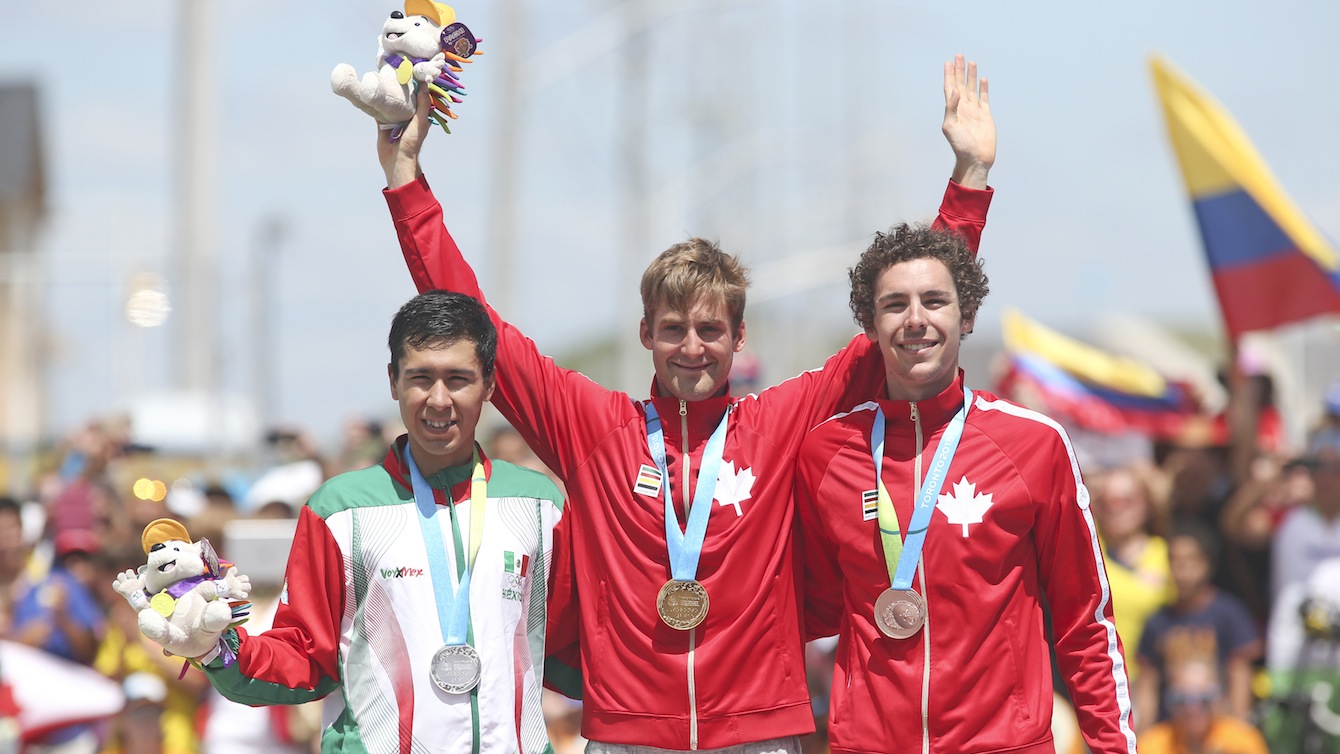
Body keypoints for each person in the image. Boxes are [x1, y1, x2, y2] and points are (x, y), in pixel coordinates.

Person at [381, 55, 995, 753]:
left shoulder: (780, 425)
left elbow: (908, 318)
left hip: (760, 733)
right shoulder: (595, 427)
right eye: (673, 329)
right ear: (646, 333)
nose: (692, 348)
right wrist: (406, 179)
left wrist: (969, 180)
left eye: (710, 330)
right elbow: (472, 318)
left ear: (739, 337)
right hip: (628, 734)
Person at [793, 223, 1137, 752]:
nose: (916, 319)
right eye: (894, 305)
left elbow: (1085, 622)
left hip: (1003, 743)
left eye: (934, 301)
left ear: (968, 314)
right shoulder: (826, 452)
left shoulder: (1034, 444)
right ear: (869, 324)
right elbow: (806, 608)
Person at [201, 291, 567, 754]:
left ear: (489, 385)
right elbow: (303, 656)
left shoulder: (538, 502)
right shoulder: (339, 509)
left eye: (458, 379)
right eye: (420, 378)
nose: (439, 400)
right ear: (393, 381)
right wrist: (214, 647)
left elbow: (577, 647)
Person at [1135, 523, 1261, 728]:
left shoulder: (1229, 614)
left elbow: (1239, 675)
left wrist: (1238, 729)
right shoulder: (1157, 620)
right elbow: (1148, 684)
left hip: (1218, 728)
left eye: (1191, 561)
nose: (1183, 570)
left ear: (1208, 564)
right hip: (1171, 732)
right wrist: (1143, 734)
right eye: (1175, 561)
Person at [1136, 657, 1269, 754]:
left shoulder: (1243, 742)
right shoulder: (1150, 746)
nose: (1192, 709)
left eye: (1204, 699)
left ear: (1218, 699)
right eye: (1181, 699)